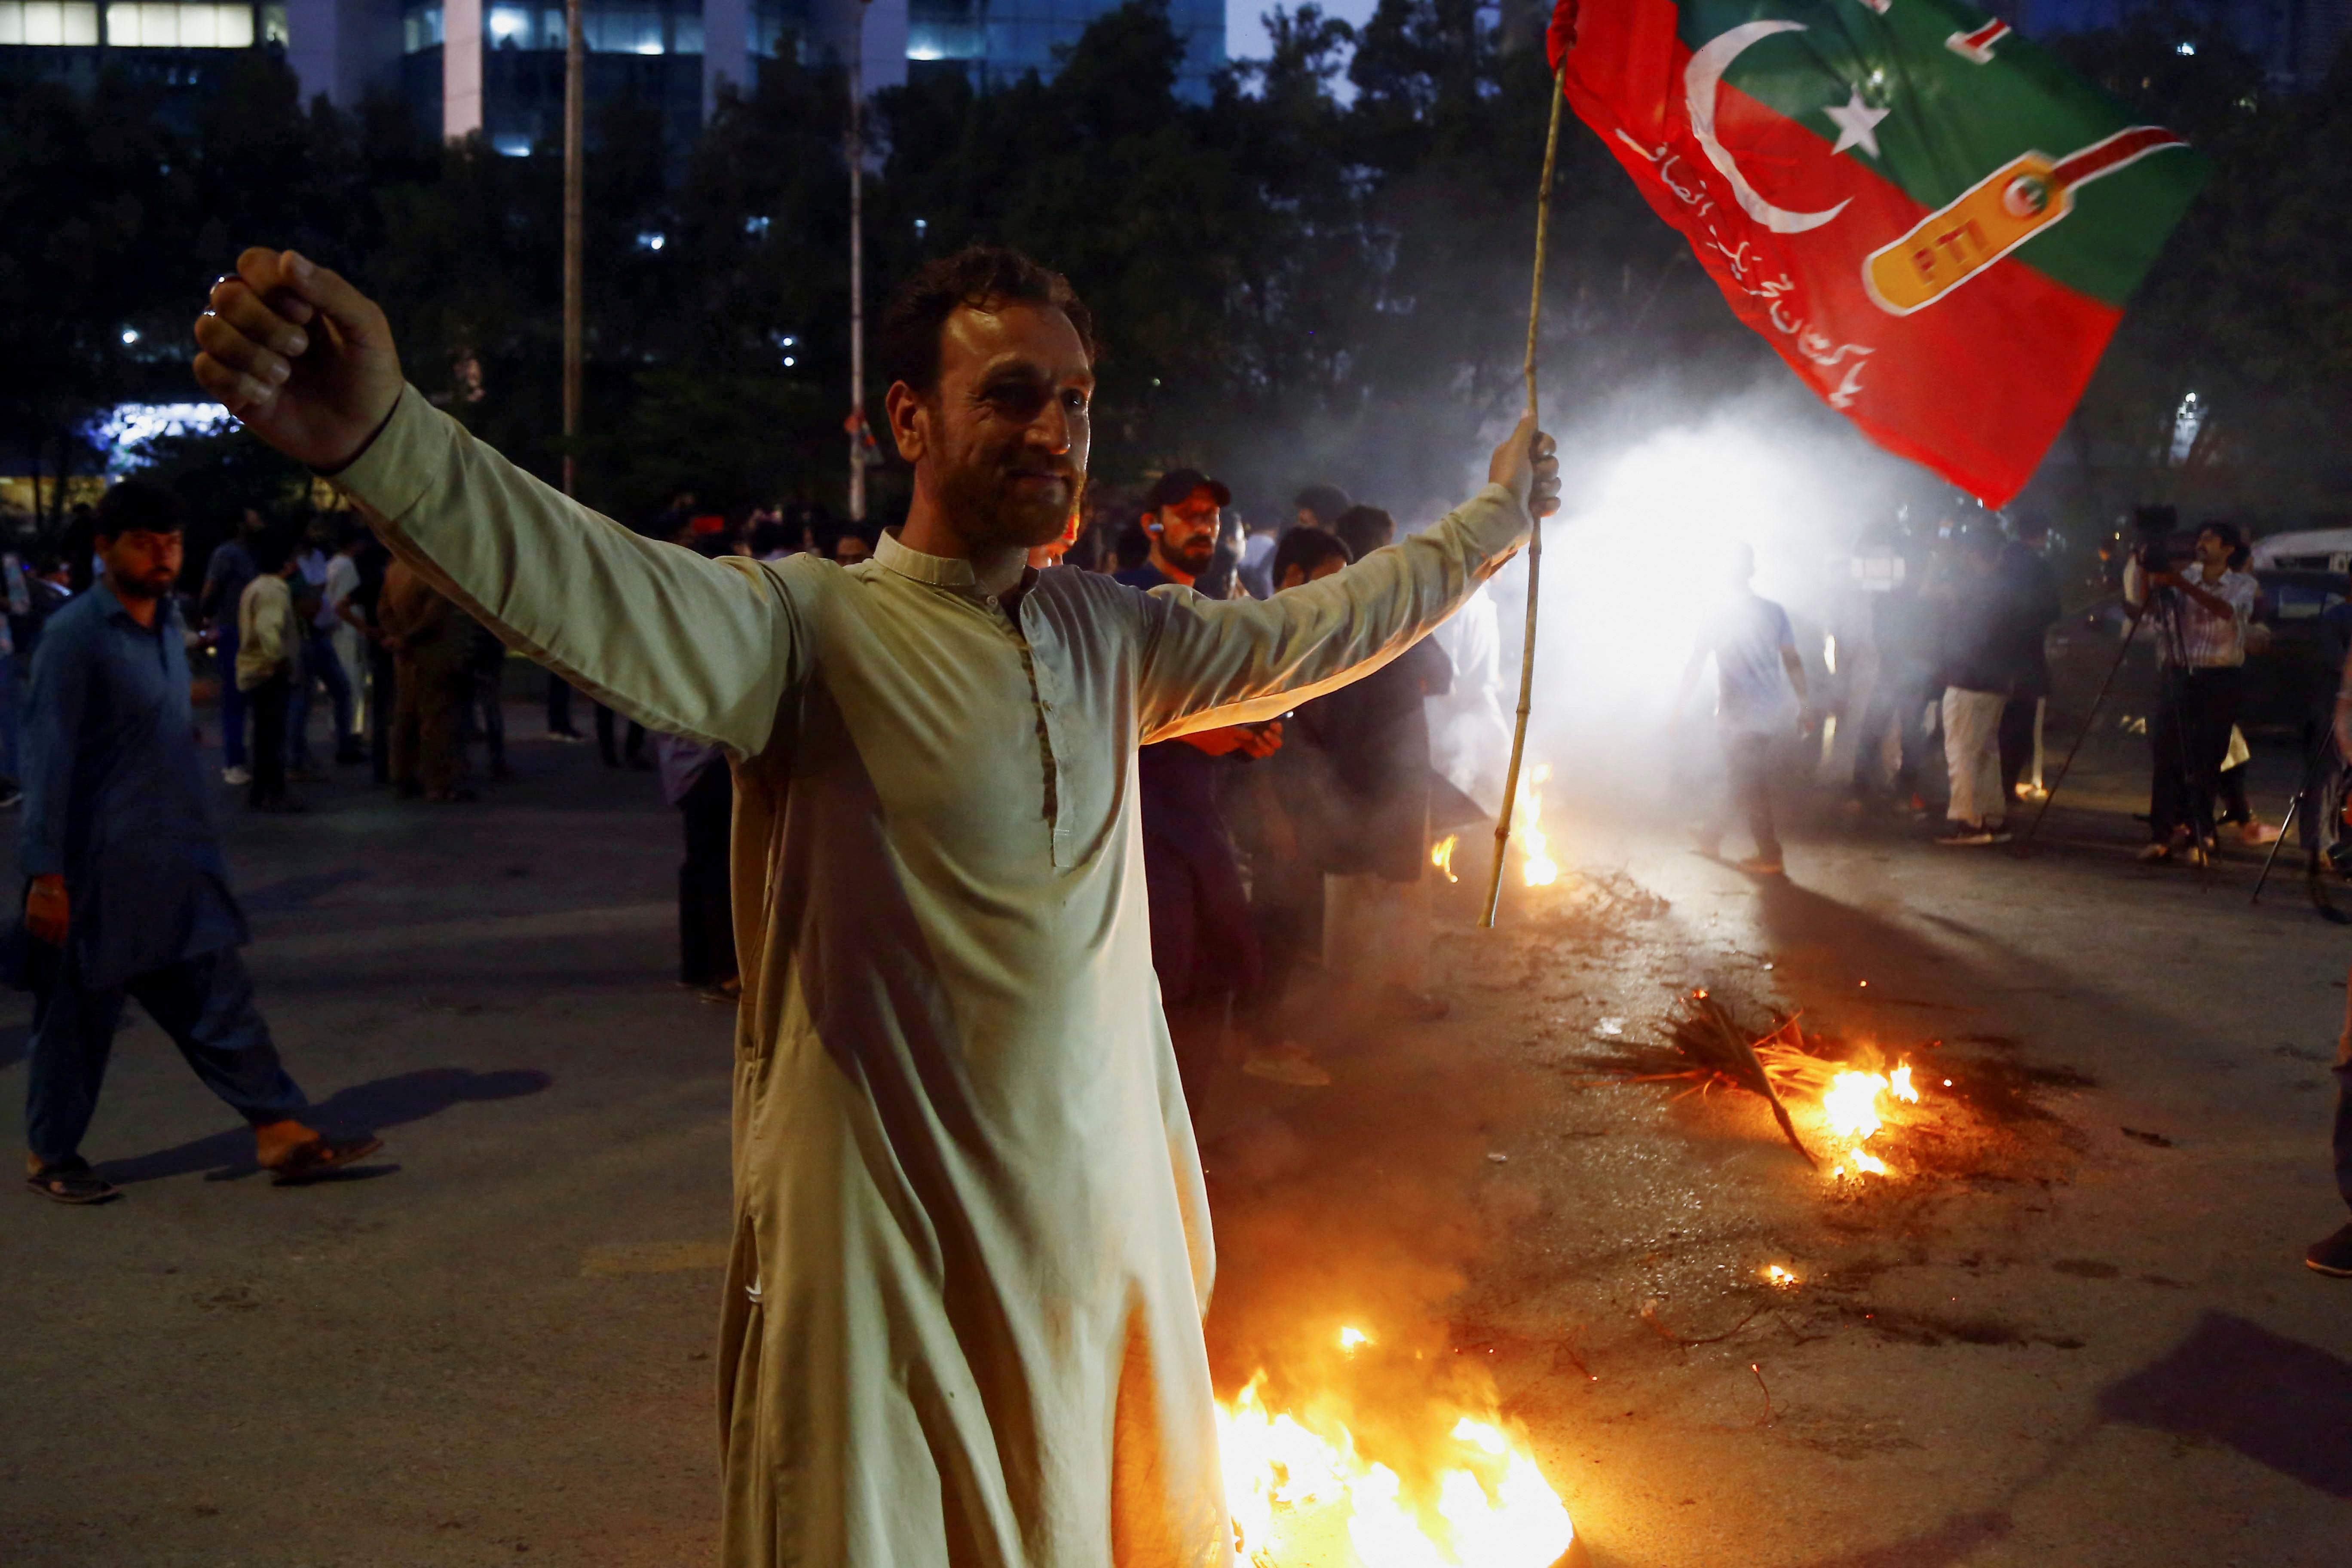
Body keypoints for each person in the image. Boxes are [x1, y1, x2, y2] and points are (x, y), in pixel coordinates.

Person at [193, 240, 1556, 1567]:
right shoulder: (805, 632)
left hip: (1098, 1238)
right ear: (910, 416)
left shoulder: (1113, 637)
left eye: (1075, 399)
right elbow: (584, 581)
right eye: (1012, 392)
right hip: (892, 1262)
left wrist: (1497, 520)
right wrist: (383, 437)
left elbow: (1331, 628)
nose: (1055, 428)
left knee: (1108, 1510)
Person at [18, 479, 380, 1204]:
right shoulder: (77, 636)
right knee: (78, 1018)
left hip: (178, 856)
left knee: (219, 998)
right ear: (104, 548)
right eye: (145, 542)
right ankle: (51, 1153)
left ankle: (279, 1127)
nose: (163, 555)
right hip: (100, 867)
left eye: (172, 542)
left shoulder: (165, 623)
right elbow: (49, 757)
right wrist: (45, 874)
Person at [1115, 465, 1283, 1107]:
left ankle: (1193, 1152)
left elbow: (1223, 717)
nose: (1203, 526)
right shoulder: (1126, 600)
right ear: (1152, 523)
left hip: (1198, 825)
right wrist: (1190, 733)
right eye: (1187, 513)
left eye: (1211, 516)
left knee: (1219, 973)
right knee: (1162, 988)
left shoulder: (1212, 612)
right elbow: (1098, 705)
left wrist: (1250, 741)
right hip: (1140, 833)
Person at [1291, 507, 1453, 1021]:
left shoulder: (1330, 601)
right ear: (1385, 544)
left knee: (1348, 882)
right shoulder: (1402, 605)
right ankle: (1398, 989)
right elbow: (1442, 675)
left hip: (1342, 762)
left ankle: (1345, 990)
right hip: (1395, 765)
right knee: (1400, 888)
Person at [1233, 526, 1354, 1086]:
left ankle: (1267, 1032)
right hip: (1274, 810)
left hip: (1303, 808)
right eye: (1327, 580)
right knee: (1273, 925)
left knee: (1291, 923)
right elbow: (1254, 739)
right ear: (1292, 577)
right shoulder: (1267, 635)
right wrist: (1274, 816)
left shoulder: (1314, 633)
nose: (1338, 592)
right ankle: (1257, 1040)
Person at [2125, 519, 2257, 864]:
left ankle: (2202, 835)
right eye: (2200, 538)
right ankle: (2161, 835)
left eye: (2210, 539)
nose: (2201, 543)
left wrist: (2179, 583)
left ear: (2228, 549)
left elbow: (2226, 613)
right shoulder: (2184, 575)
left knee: (2206, 761)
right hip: (2178, 673)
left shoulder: (2243, 583)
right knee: (2166, 756)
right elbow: (2154, 616)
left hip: (2219, 679)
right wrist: (2147, 577)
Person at [1679, 542, 1808, 875]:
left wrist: (1678, 706)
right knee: (1741, 777)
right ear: (1751, 572)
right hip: (1764, 712)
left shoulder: (1716, 612)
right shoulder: (1773, 611)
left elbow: (1696, 662)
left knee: (1748, 782)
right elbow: (1792, 660)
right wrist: (1804, 704)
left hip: (1738, 714)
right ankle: (1711, 836)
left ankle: (1770, 854)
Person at [1934, 526, 2016, 847]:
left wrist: (1937, 560)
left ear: (1971, 553)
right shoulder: (2006, 589)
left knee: (1962, 751)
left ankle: (1969, 821)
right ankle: (1994, 818)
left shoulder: (1971, 588)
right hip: (1995, 682)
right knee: (1986, 753)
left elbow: (1927, 591)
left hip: (1968, 680)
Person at [378, 557, 475, 802]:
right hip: (433, 653)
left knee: (405, 718)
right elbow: (435, 615)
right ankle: (438, 783)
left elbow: (383, 609)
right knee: (436, 721)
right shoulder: (433, 570)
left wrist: (395, 636)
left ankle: (402, 777)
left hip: (404, 658)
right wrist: (408, 637)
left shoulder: (395, 569)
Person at [235, 526, 303, 813]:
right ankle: (275, 794)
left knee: (264, 735)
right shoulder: (276, 590)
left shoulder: (254, 587)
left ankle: (260, 793)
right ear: (287, 564)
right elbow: (268, 627)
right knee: (273, 735)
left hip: (253, 670)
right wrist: (278, 658)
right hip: (269, 672)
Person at [1996, 516, 2062, 804]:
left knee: (1992, 727)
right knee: (2020, 727)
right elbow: (2052, 610)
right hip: (2026, 659)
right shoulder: (2040, 568)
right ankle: (2007, 786)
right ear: (2042, 535)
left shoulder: (1997, 565)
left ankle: (1988, 787)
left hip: (1992, 658)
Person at [286, 517, 361, 771]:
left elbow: (320, 592)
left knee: (340, 691)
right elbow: (309, 596)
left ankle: (343, 746)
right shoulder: (294, 562)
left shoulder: (318, 557)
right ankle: (296, 760)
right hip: (304, 634)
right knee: (302, 699)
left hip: (320, 633)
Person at [198, 506, 266, 785]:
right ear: (240, 524)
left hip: (250, 631)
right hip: (235, 630)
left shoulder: (250, 553)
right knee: (235, 699)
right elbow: (211, 589)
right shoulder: (228, 553)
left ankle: (246, 760)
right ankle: (234, 762)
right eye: (254, 517)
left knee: (252, 700)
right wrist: (207, 618)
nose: (260, 522)